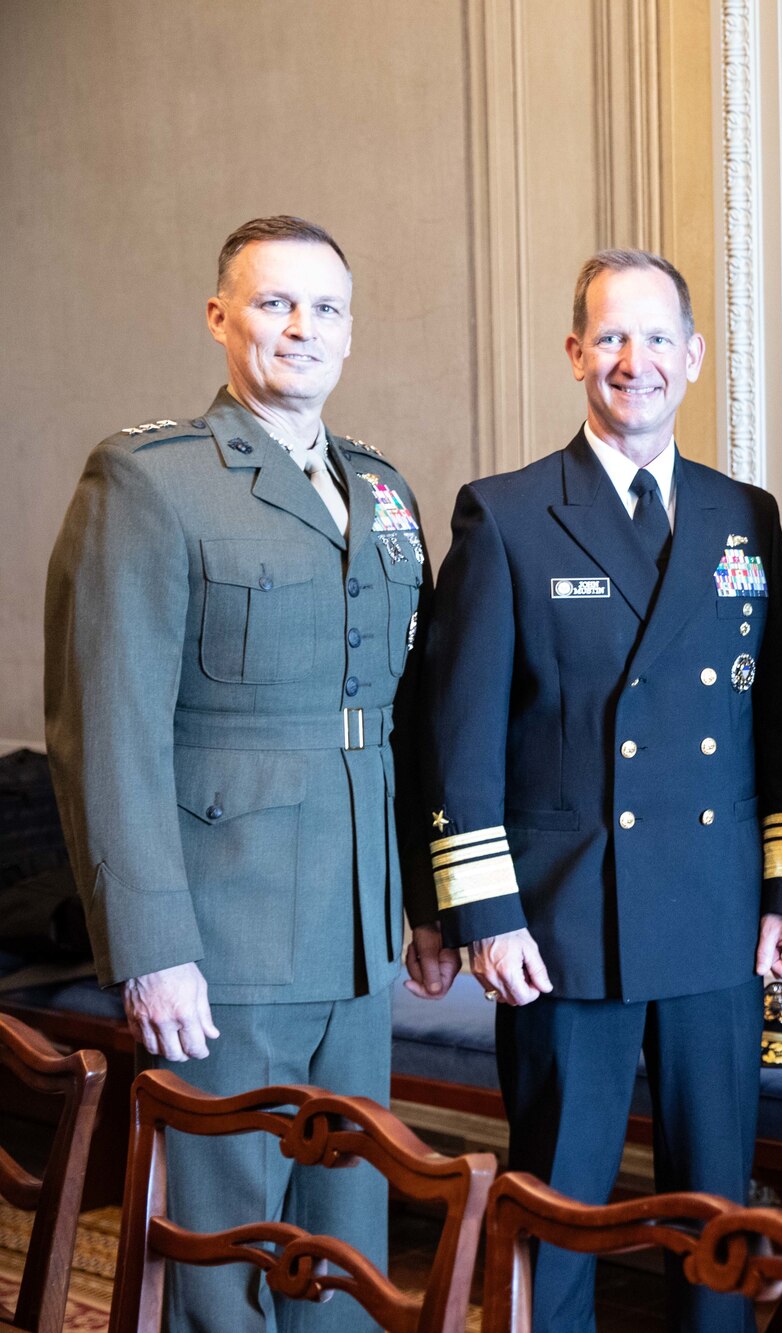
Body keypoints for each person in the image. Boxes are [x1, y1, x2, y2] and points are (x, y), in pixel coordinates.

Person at [44, 215, 436, 1332]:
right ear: (220, 317)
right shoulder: (151, 481)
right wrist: (151, 948)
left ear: (350, 333)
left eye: (326, 308)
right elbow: (106, 730)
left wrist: (413, 905)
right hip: (226, 937)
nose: (301, 329)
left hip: (358, 937)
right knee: (218, 1251)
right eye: (273, 303)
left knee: (340, 1248)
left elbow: (397, 720)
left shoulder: (381, 489)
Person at [415, 248, 782, 1333]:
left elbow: (778, 718)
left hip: (714, 918)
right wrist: (486, 917)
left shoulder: (745, 514)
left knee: (713, 1216)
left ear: (691, 358)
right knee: (557, 1207)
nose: (632, 361)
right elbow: (458, 738)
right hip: (562, 922)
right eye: (609, 338)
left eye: (654, 339)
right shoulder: (505, 516)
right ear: (574, 353)